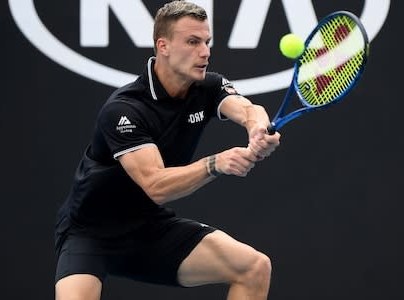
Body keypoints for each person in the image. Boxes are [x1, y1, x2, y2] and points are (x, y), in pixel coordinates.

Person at [54, 1, 281, 299]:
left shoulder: (207, 87)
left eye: (207, 42)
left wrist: (258, 130)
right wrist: (216, 163)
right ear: (163, 46)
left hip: (149, 229)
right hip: (90, 234)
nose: (205, 52)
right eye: (193, 42)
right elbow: (156, 185)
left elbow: (250, 109)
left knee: (254, 267)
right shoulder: (124, 110)